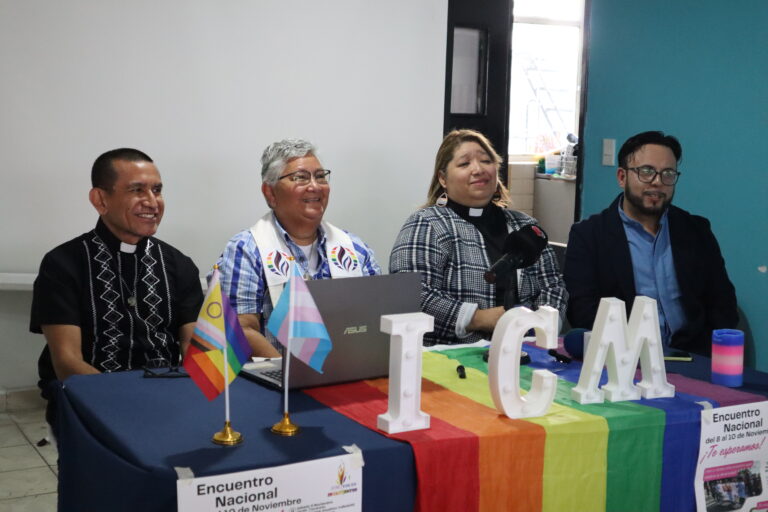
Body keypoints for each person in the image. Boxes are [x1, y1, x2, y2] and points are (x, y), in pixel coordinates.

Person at [30, 148, 204, 433]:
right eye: (137, 190)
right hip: (88, 408)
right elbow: (67, 362)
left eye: (157, 190)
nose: (152, 202)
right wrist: (127, 405)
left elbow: (193, 346)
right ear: (100, 200)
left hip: (168, 403)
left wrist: (188, 399)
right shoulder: (63, 264)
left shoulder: (178, 264)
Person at [564, 131, 738, 355]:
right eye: (646, 172)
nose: (657, 182)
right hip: (623, 359)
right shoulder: (588, 235)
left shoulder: (696, 230)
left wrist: (704, 356)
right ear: (621, 177)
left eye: (667, 174)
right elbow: (582, 311)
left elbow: (723, 304)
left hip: (691, 358)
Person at [389, 129, 567, 345]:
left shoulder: (525, 226)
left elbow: (553, 287)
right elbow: (412, 295)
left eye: (485, 161)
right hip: (448, 357)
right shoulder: (428, 223)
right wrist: (477, 318)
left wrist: (539, 325)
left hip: (526, 349)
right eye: (464, 164)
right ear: (443, 179)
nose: (478, 169)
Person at [216, 139, 380, 357]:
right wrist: (295, 374)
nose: (315, 186)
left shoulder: (355, 249)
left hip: (349, 372)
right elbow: (241, 329)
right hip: (279, 383)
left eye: (320, 176)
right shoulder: (246, 250)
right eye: (300, 178)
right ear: (270, 193)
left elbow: (378, 318)